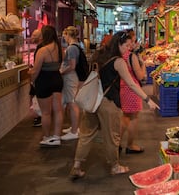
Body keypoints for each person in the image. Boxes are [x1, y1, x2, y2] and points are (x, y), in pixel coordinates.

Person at [69, 30, 159, 180]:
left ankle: (76, 166)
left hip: (92, 100)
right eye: (126, 45)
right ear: (118, 44)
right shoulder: (118, 61)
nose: (128, 48)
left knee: (86, 135)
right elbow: (131, 83)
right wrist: (147, 99)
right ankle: (115, 166)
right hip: (108, 102)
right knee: (112, 136)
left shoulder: (99, 55)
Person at [28, 25, 64, 147]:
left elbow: (36, 70)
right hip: (57, 79)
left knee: (46, 113)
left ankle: (47, 137)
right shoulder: (60, 49)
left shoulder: (43, 50)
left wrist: (31, 79)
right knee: (58, 110)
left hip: (44, 81)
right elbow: (60, 65)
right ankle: (57, 136)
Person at [119, 29, 147, 154]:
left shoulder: (120, 55)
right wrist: (143, 64)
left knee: (125, 117)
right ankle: (130, 145)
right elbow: (140, 76)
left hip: (122, 87)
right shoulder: (131, 56)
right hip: (132, 89)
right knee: (134, 117)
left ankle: (117, 143)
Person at [59, 26, 81, 141]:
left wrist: (61, 72)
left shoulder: (72, 48)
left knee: (72, 103)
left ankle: (74, 131)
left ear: (68, 35)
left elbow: (72, 66)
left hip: (70, 77)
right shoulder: (76, 46)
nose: (64, 38)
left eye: (65, 36)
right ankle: (74, 127)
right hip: (72, 77)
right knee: (71, 102)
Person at [29, 29, 43, 127]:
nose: (31, 37)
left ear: (40, 37)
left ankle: (39, 117)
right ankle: (38, 116)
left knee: (37, 98)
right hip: (39, 76)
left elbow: (38, 65)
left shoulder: (41, 48)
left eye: (34, 35)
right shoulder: (40, 47)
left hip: (39, 77)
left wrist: (33, 75)